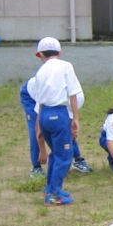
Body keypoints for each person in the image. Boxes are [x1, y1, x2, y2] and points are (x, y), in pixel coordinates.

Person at [26, 37, 81, 206]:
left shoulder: (40, 71)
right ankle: (54, 194)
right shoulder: (65, 66)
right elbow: (73, 93)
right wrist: (75, 118)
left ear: (40, 55)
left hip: (44, 115)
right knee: (65, 156)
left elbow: (39, 102)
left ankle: (50, 187)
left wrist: (38, 126)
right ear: (60, 53)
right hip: (59, 113)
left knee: (56, 153)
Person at [19, 79, 47, 178]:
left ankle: (78, 159)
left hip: (46, 93)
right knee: (35, 125)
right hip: (30, 94)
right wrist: (42, 151)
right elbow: (38, 127)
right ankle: (36, 167)